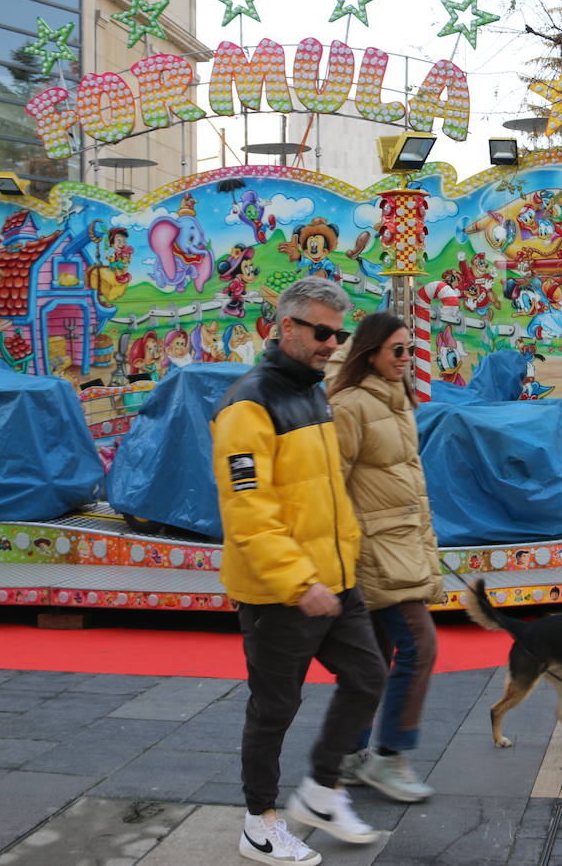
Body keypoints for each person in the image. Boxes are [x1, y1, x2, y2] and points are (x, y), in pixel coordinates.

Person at [212, 276, 387, 865]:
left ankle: (319, 792)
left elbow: (323, 491)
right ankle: (259, 823)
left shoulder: (313, 391)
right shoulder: (247, 405)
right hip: (281, 593)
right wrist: (297, 580)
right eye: (321, 331)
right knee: (273, 709)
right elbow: (248, 511)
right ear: (286, 326)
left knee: (368, 677)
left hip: (334, 581)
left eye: (337, 333)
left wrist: (346, 557)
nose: (331, 343)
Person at [326, 312, 446, 803]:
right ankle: (391, 756)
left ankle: (349, 755)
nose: (405, 358)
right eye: (397, 350)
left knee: (373, 660)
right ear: (370, 353)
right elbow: (331, 483)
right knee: (421, 645)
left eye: (409, 349)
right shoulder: (351, 406)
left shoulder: (394, 401)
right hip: (375, 550)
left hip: (399, 541)